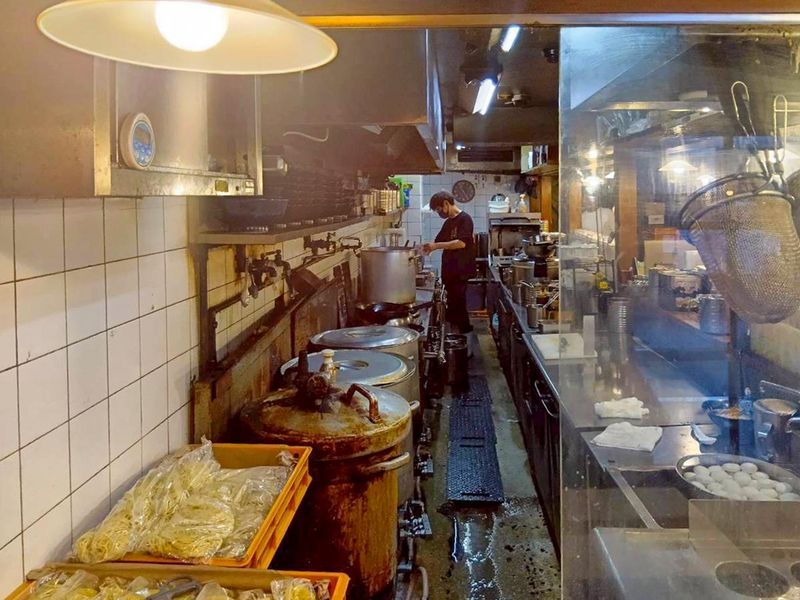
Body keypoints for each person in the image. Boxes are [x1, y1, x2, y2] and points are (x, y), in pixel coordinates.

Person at [422, 191, 475, 334]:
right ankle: (453, 333)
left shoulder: (465, 219)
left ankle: (463, 334)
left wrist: (436, 246)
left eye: (439, 209)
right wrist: (427, 247)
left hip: (461, 269)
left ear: (446, 203)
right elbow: (438, 241)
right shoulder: (448, 223)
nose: (439, 213)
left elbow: (461, 243)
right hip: (449, 269)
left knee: (458, 302)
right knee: (452, 302)